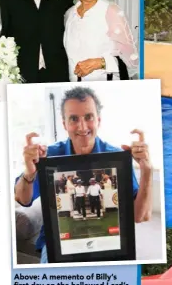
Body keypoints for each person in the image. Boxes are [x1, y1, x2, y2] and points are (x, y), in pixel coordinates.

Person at [14, 86, 153, 263]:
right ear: (64, 124)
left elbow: (140, 216)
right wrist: (29, 171)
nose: (82, 126)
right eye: (74, 119)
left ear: (98, 120)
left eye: (88, 117)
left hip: (107, 239)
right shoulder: (48, 156)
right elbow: (22, 199)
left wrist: (147, 169)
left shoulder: (116, 157)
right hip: (59, 243)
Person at [64, 0, 139, 81]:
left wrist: (100, 63)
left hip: (105, 90)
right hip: (75, 91)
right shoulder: (69, 15)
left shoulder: (111, 12)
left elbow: (133, 60)